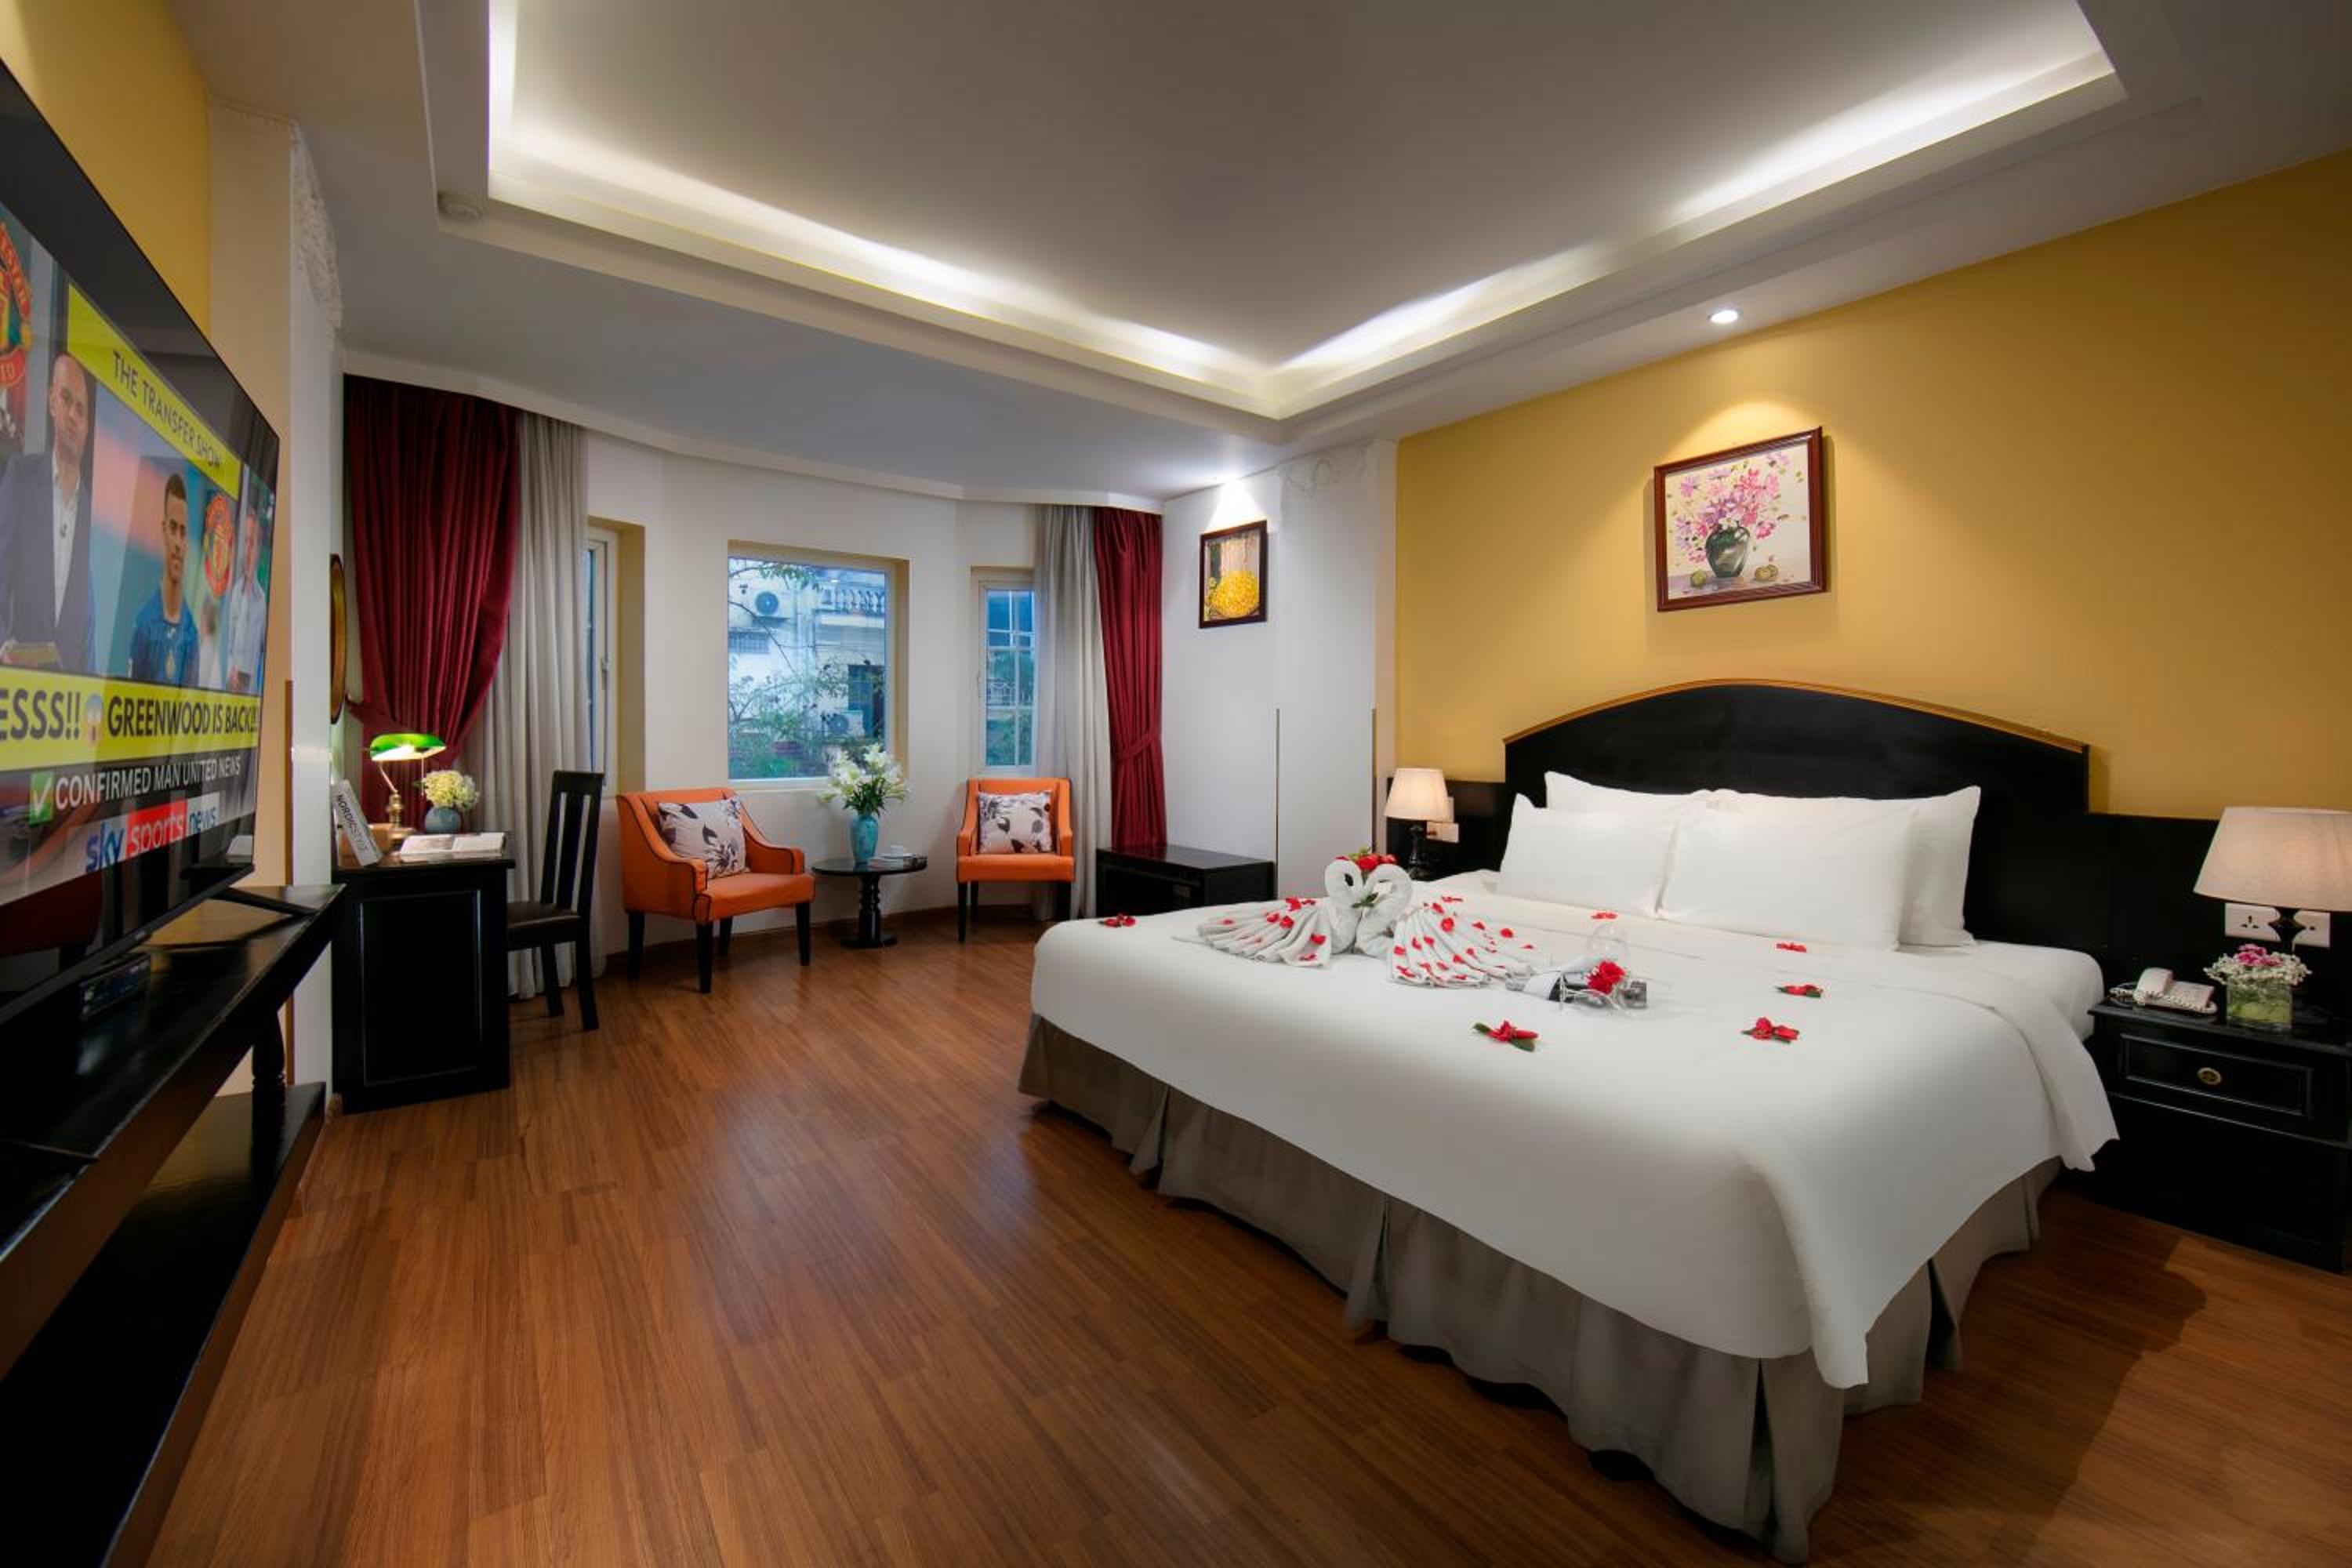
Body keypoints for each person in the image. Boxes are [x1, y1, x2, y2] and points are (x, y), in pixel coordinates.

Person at [0, 350, 95, 670]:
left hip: (72, 695)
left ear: (87, 425)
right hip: (18, 687)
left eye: (81, 409)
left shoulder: (94, 514)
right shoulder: (21, 479)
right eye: (66, 399)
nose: (73, 415)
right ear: (51, 401)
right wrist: (3, 647)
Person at [127, 473, 198, 685]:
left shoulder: (191, 633)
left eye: (183, 533)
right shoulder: (144, 624)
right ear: (164, 530)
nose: (178, 542)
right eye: (173, 529)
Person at [220, 493, 267, 692]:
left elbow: (265, 653)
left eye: (252, 543)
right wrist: (230, 671)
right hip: (229, 687)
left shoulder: (262, 602)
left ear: (259, 549)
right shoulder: (231, 594)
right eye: (245, 541)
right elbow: (225, 645)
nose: (248, 550)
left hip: (251, 695)